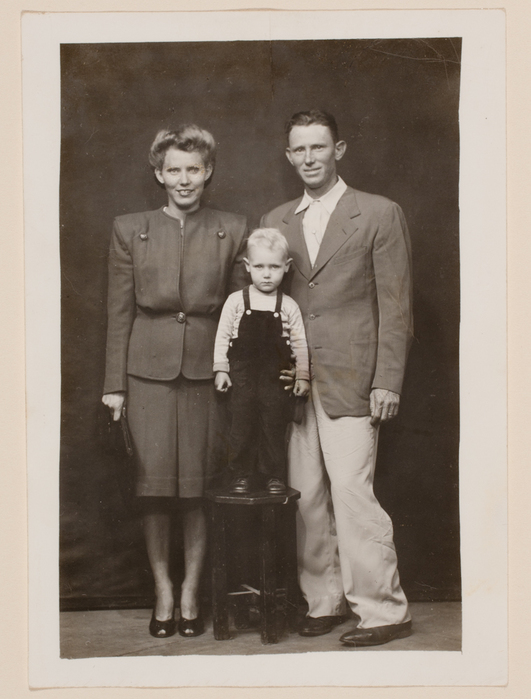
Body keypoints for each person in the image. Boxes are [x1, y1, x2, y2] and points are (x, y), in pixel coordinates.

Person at [261, 110, 414, 647]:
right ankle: (323, 602)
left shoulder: (379, 213)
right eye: (299, 150)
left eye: (318, 147)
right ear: (289, 156)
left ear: (339, 150)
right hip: (295, 382)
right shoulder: (276, 219)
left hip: (354, 377)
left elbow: (396, 307)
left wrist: (387, 379)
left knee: (351, 493)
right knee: (305, 497)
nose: (309, 158)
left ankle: (384, 611)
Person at [102, 125, 248, 639]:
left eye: (193, 169)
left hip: (210, 373)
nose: (184, 179)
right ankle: (163, 590)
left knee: (197, 488)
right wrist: (114, 385)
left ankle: (191, 593)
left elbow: (240, 312)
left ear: (208, 172)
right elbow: (119, 312)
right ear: (158, 174)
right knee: (155, 489)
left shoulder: (232, 227)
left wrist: (236, 375)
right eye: (173, 170)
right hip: (146, 374)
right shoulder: (130, 228)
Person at [213, 228, 310, 495]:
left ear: (286, 267)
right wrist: (221, 369)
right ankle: (240, 475)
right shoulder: (236, 301)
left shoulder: (288, 305)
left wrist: (303, 375)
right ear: (248, 266)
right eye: (259, 266)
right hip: (242, 377)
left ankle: (273, 476)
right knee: (240, 427)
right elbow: (222, 337)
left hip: (274, 380)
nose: (266, 274)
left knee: (273, 426)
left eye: (274, 267)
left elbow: (300, 344)